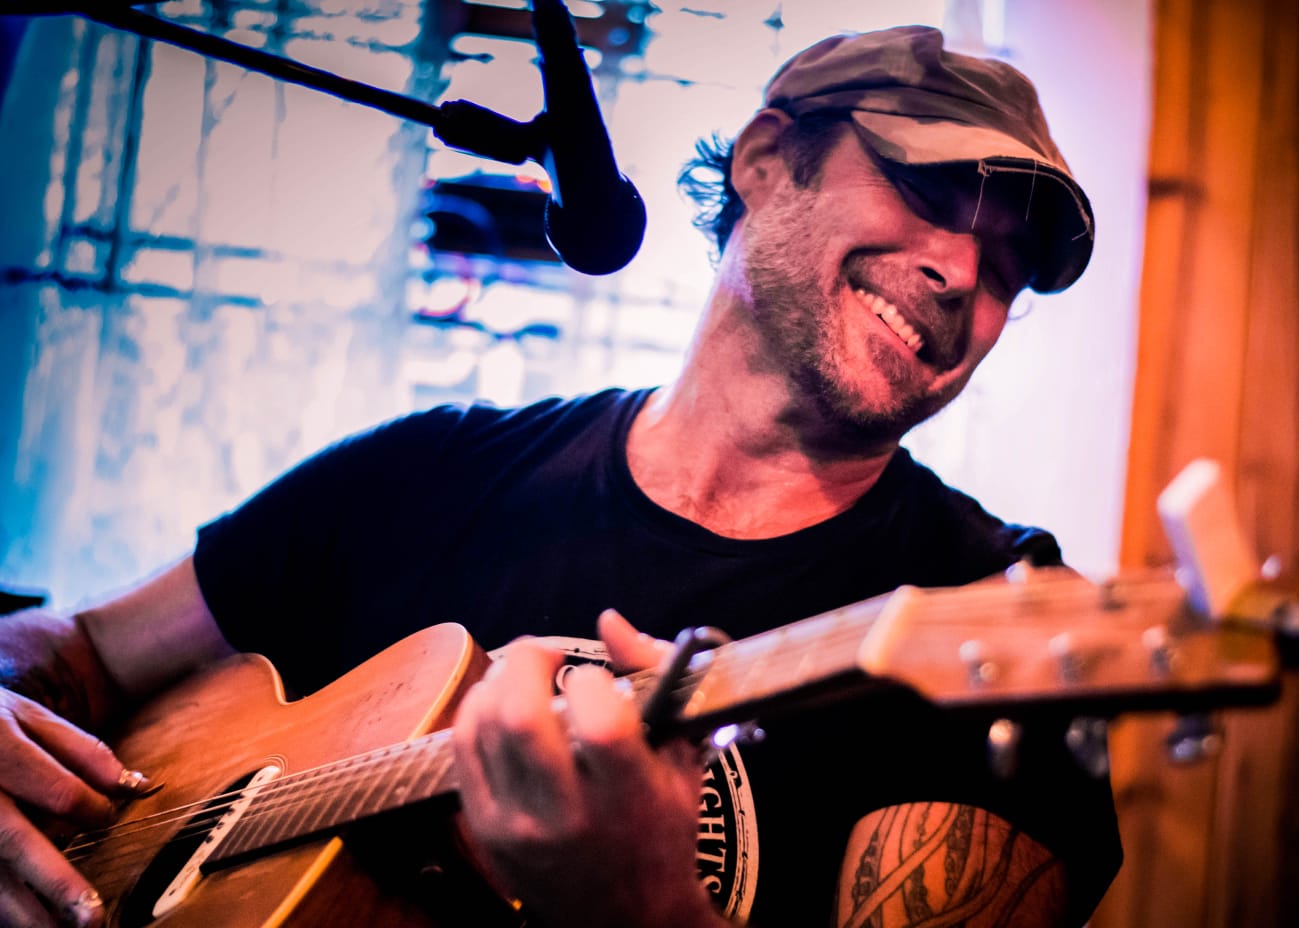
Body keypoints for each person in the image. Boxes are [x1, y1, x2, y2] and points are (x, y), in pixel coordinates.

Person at [0, 24, 1122, 928]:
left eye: (1009, 271)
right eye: (931, 196)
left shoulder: (1000, 618)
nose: (963, 273)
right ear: (767, 161)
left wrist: (647, 906)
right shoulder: (431, 470)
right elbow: (82, 648)